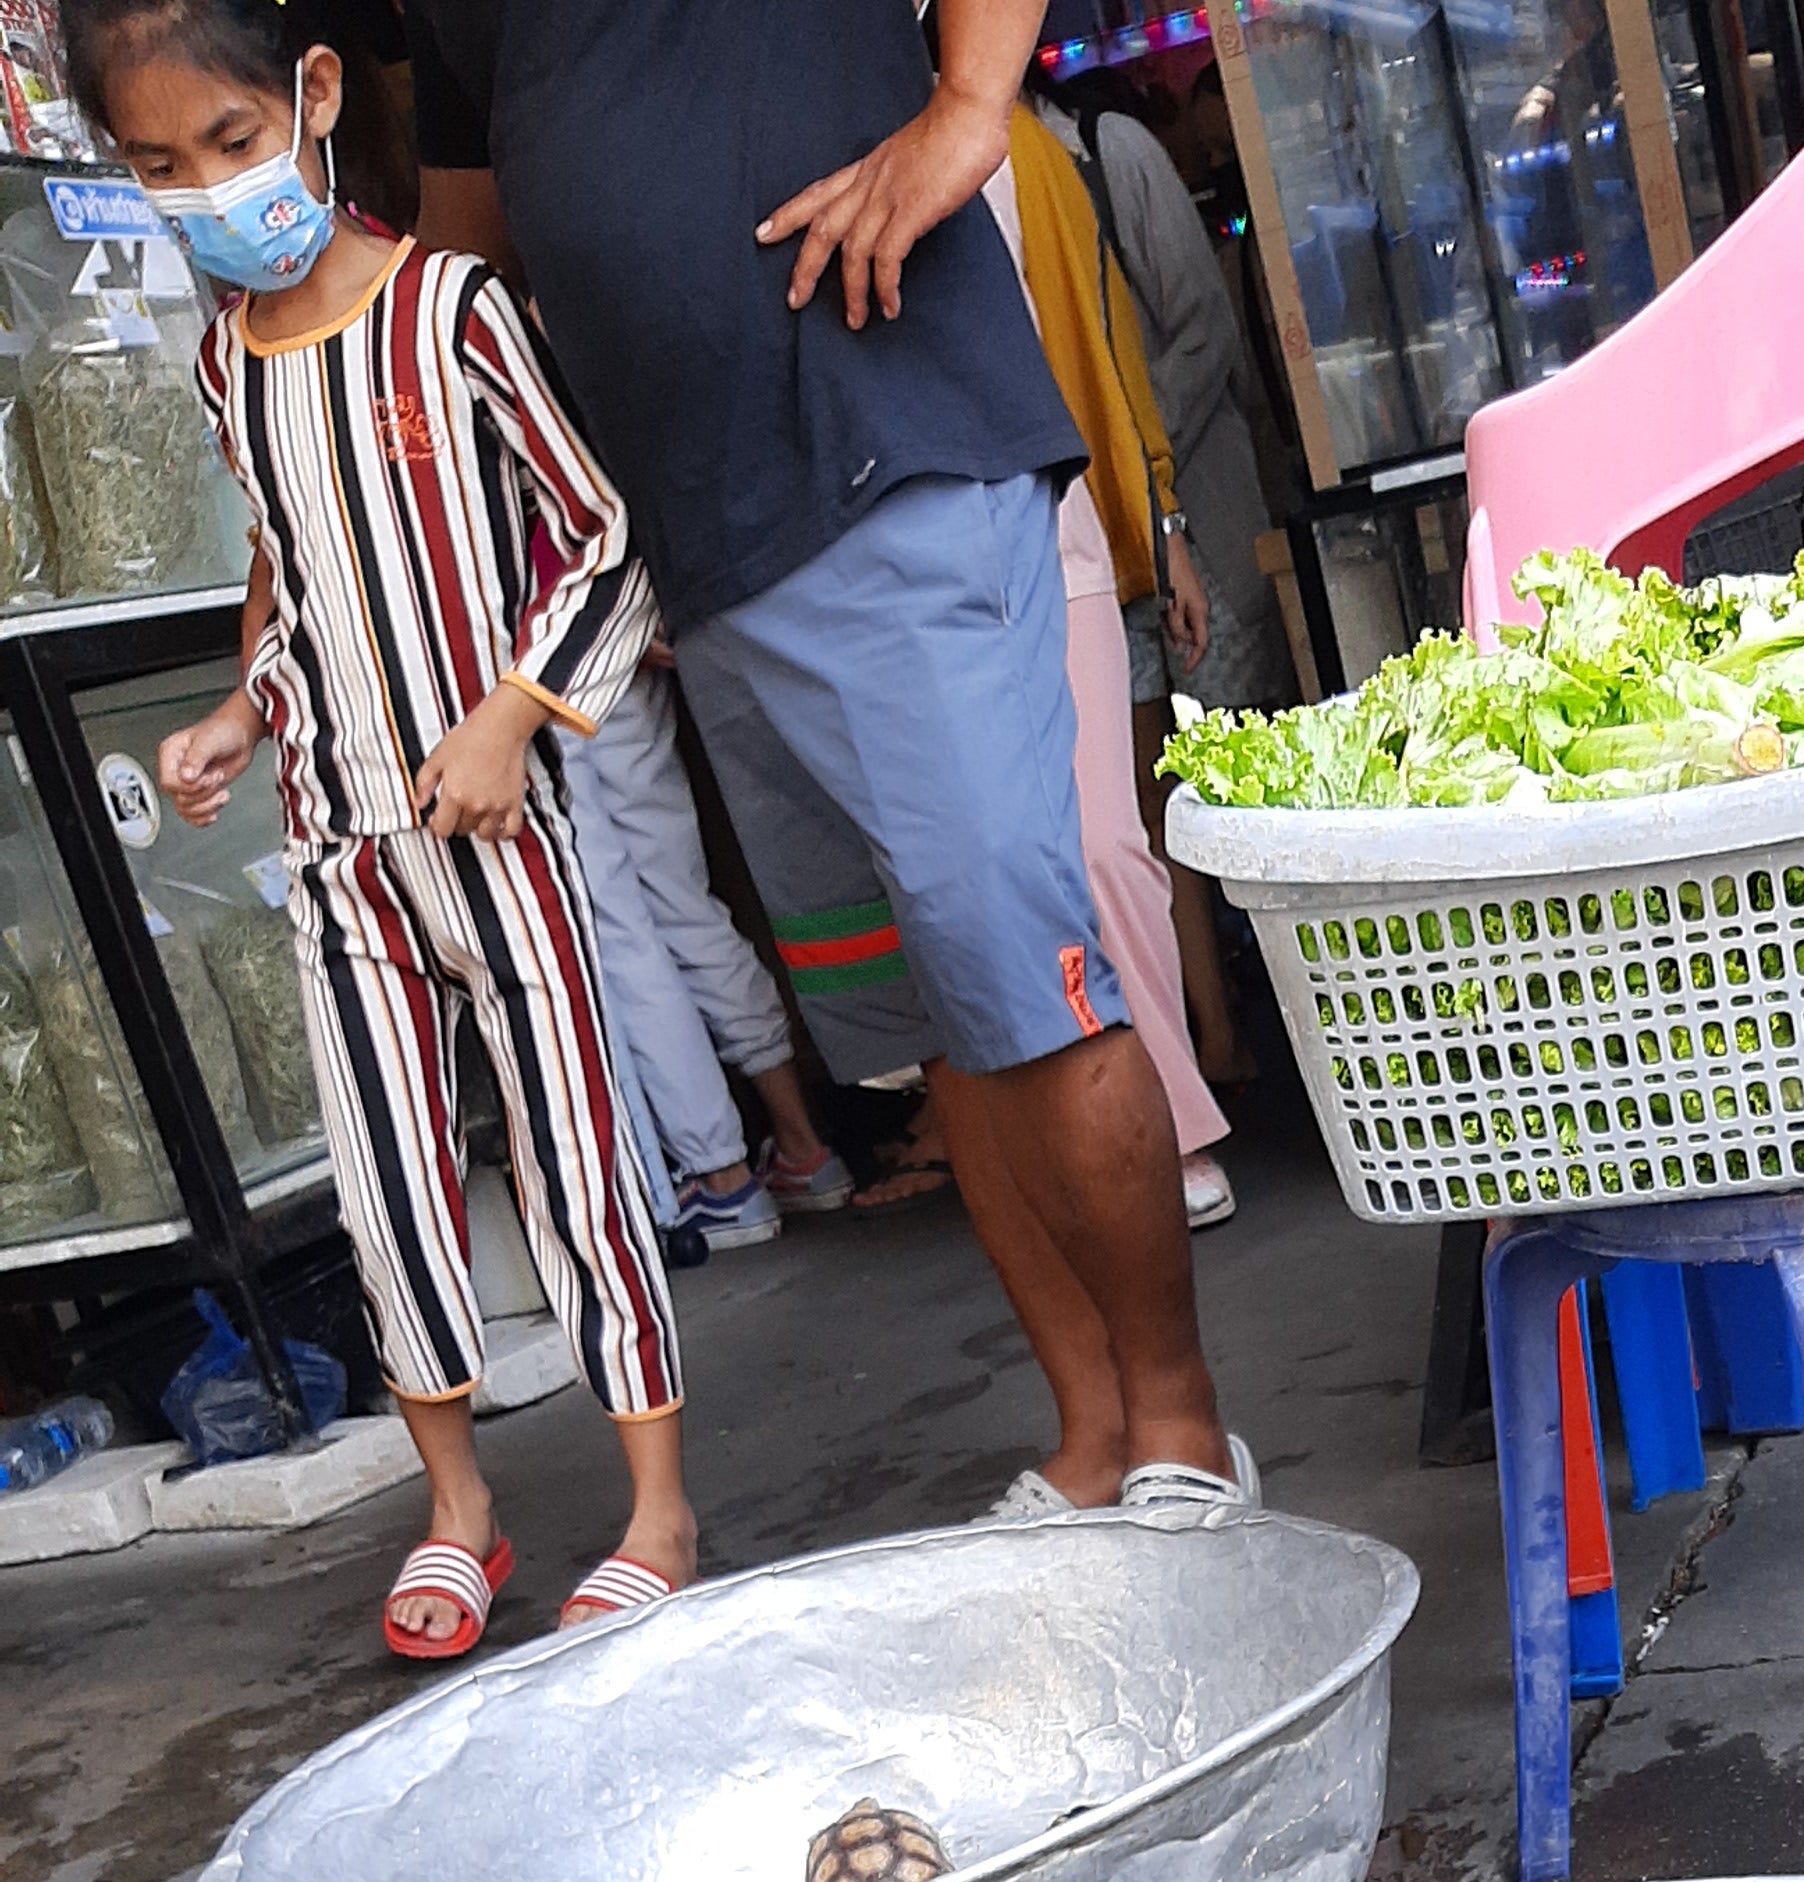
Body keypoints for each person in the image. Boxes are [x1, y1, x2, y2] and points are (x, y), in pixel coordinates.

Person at [403, 0, 1253, 1522]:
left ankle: (1184, 1430)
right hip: (707, 558)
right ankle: (1089, 1436)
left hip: (890, 446)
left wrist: (970, 107)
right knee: (935, 1019)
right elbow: (469, 261)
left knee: (1028, 979)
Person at [78, 0, 696, 1659]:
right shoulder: (229, 358)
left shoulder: (457, 310)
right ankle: (463, 1514)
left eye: (229, 143)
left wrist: (513, 713)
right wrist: (235, 713)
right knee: (384, 1191)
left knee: (573, 1164)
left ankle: (658, 1510)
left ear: (316, 97)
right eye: (159, 168)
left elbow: (609, 538)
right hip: (336, 852)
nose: (208, 191)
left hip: (501, 842)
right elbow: (291, 584)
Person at [992, 95, 1234, 1238]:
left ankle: (1181, 1118)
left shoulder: (1045, 150)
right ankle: (1090, 1138)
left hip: (1067, 512)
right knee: (1004, 864)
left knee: (1111, 838)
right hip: (924, 533)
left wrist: (1162, 513)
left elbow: (1117, 353)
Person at [1048, 81, 1292, 1087]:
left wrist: (1135, 475)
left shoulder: (1109, 152)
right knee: (1159, 800)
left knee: (1247, 758)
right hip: (1107, 542)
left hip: (1196, 511)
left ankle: (1284, 1017)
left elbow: (1205, 334)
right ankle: (1219, 1037)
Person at [558, 649, 854, 1245]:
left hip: (519, 665)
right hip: (610, 642)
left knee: (616, 926)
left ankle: (723, 1178)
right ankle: (802, 1146)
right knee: (684, 900)